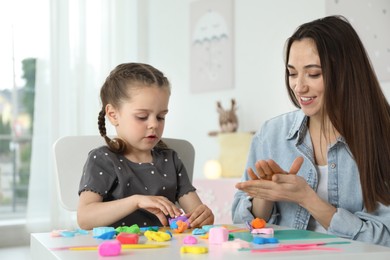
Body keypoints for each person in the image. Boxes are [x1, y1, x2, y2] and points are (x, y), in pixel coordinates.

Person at [232, 15, 390, 247]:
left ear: (345, 72)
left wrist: (307, 198)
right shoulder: (272, 134)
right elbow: (240, 222)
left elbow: (384, 238)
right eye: (292, 73)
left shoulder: (382, 137)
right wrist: (264, 195)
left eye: (313, 73)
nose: (299, 86)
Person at [77, 62, 214, 230]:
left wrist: (203, 218)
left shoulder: (170, 160)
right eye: (142, 116)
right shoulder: (104, 159)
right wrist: (136, 201)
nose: (154, 124)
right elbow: (85, 218)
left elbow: (196, 215)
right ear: (113, 115)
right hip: (118, 253)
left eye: (161, 117)